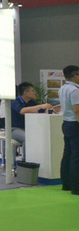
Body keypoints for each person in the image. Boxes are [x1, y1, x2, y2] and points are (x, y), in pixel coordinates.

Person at [10, 82, 55, 156]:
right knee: (28, 137)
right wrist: (41, 106)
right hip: (14, 129)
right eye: (32, 91)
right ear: (26, 93)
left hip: (27, 128)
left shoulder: (31, 102)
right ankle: (26, 159)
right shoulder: (14, 101)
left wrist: (52, 109)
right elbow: (22, 111)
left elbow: (42, 110)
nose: (35, 93)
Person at [59, 65, 79, 195]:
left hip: (66, 123)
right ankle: (76, 187)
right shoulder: (75, 90)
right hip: (75, 124)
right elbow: (77, 110)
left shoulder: (63, 88)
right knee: (76, 156)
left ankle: (66, 184)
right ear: (75, 75)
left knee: (68, 153)